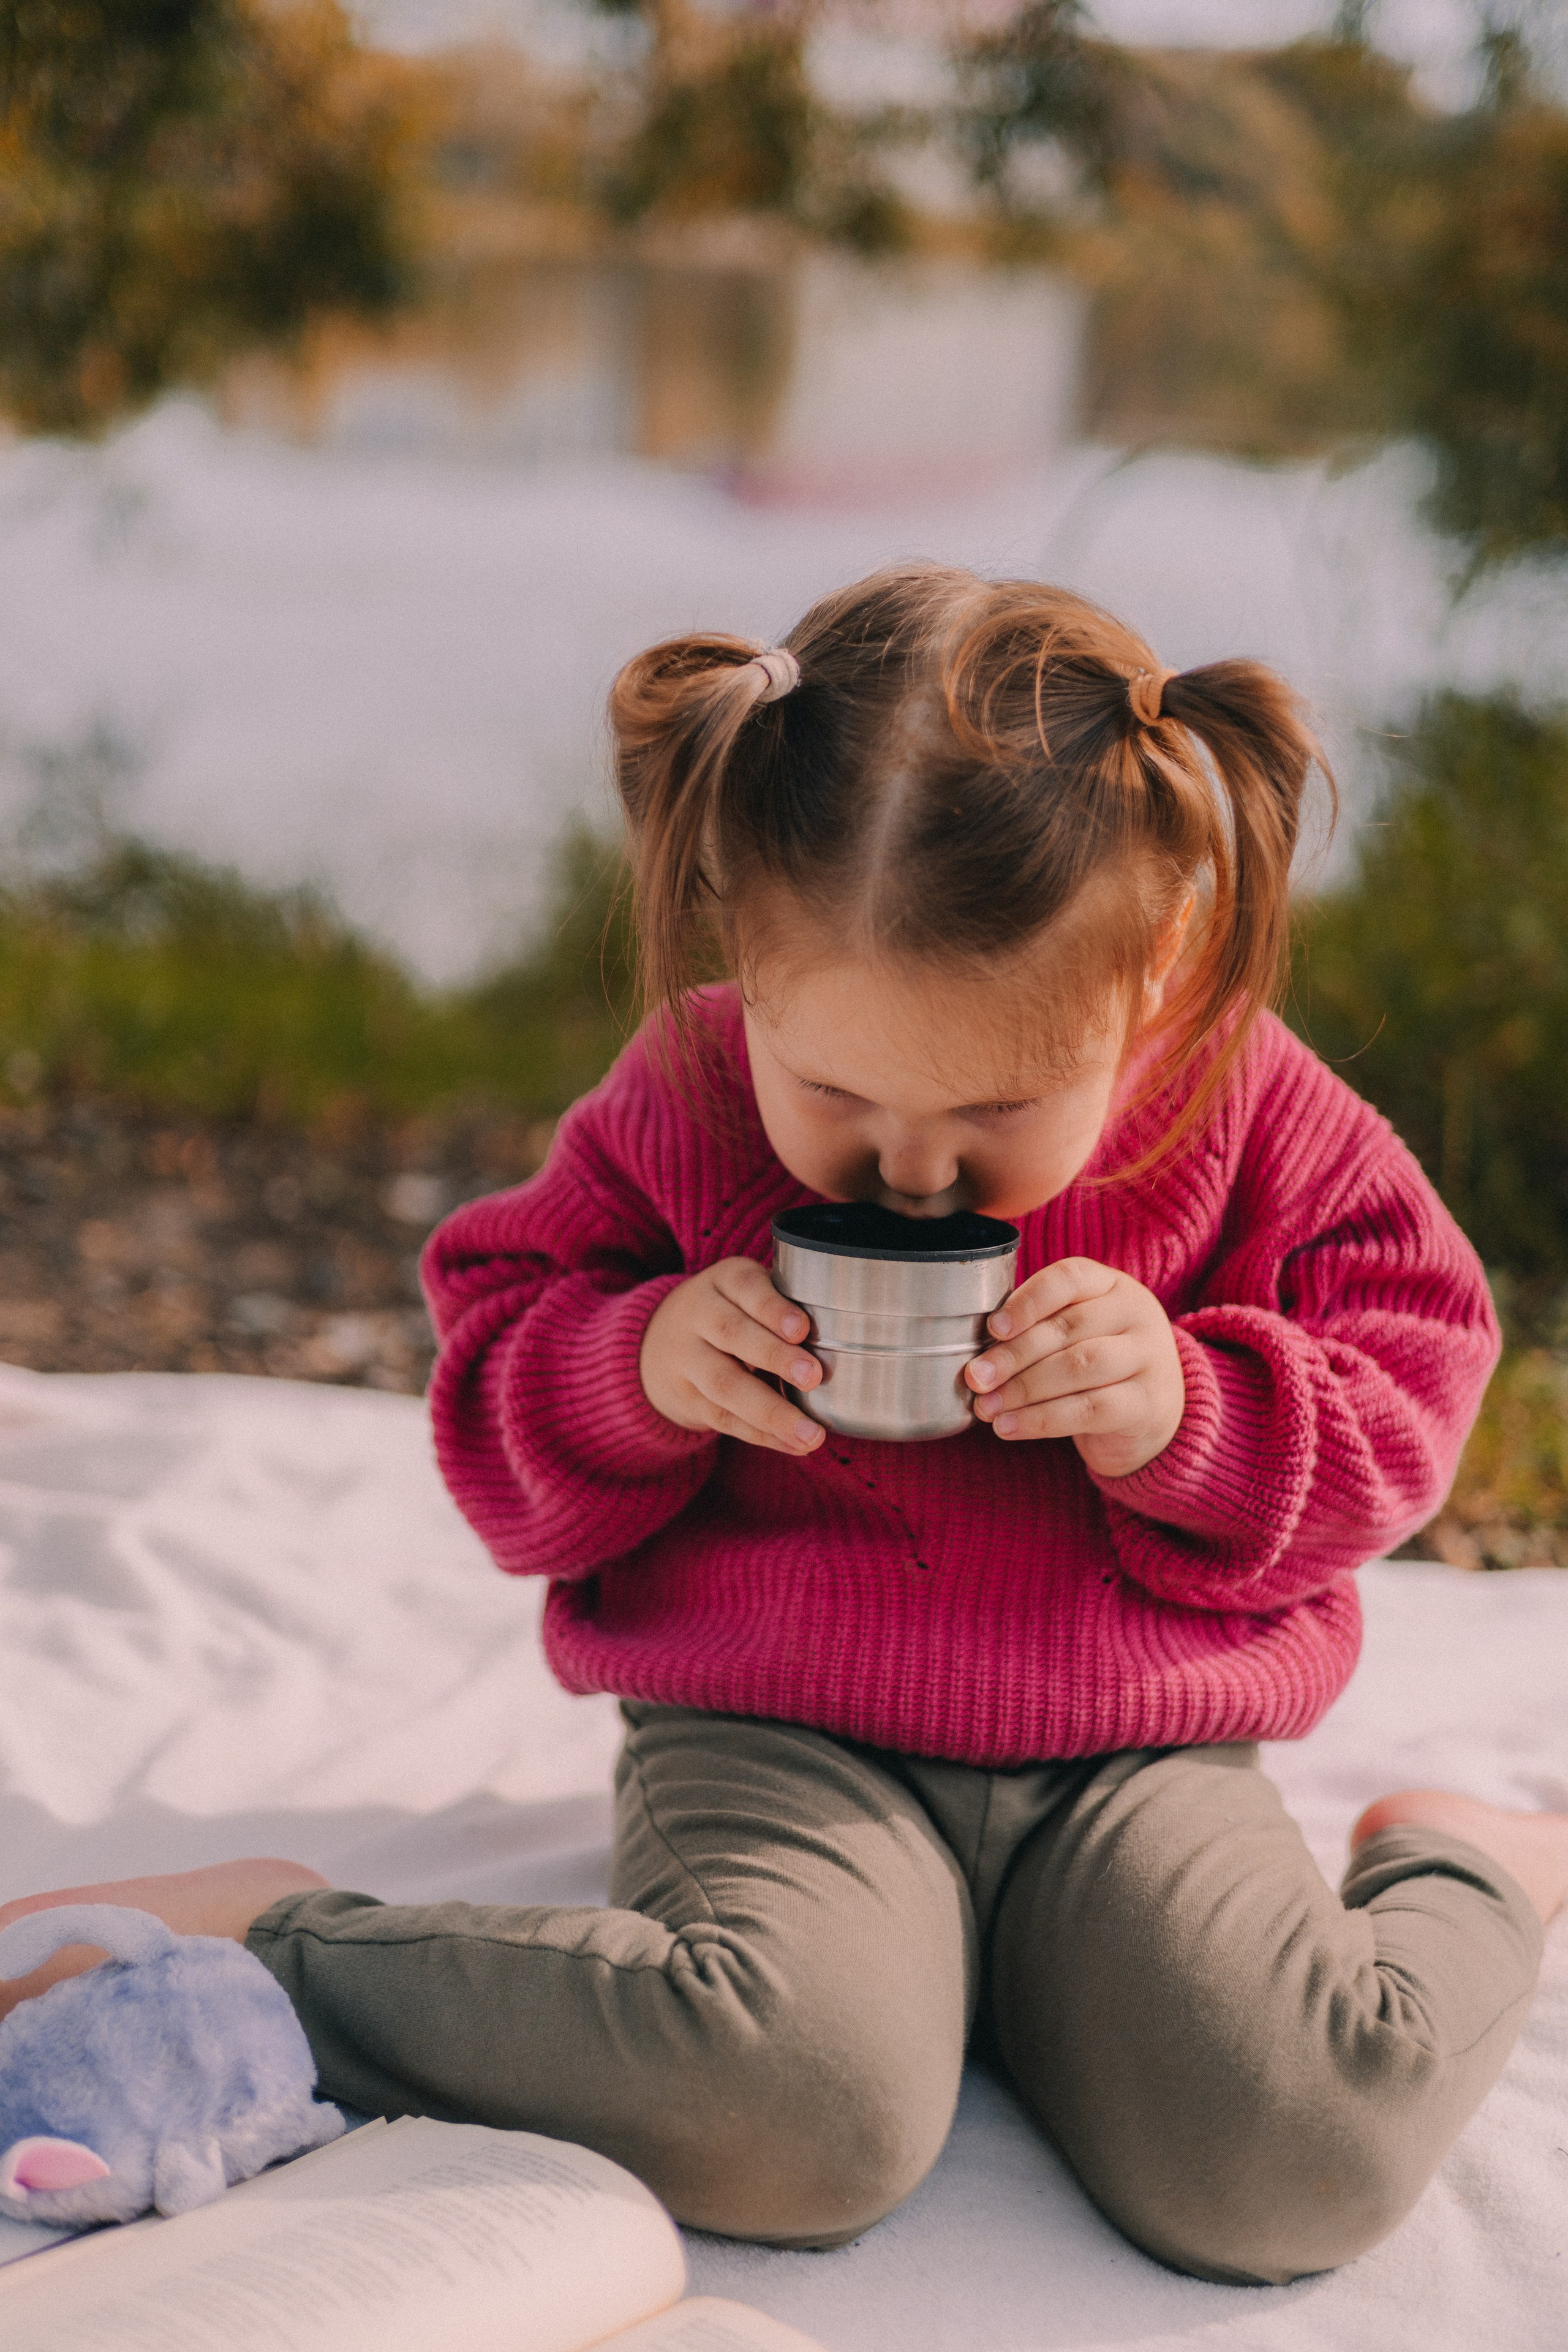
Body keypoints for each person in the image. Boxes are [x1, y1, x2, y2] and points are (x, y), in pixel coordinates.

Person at [6, 567, 1566, 2286]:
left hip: (1132, 1751)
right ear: (742, 944)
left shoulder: (1253, 1110)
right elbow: (492, 1391)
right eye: (832, 1092)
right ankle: (278, 1946)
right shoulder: (681, 1094)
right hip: (782, 1736)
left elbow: (1416, 1384)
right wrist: (636, 1366)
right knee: (809, 2117)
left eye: (994, 1109)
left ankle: (1462, 1864)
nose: (909, 1172)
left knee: (1293, 2160)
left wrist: (1196, 1406)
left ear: (1165, 962)